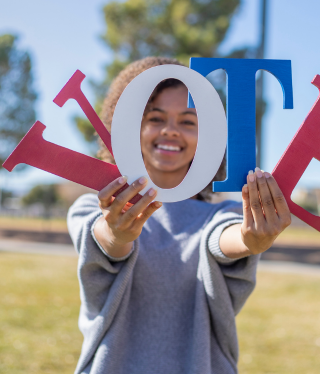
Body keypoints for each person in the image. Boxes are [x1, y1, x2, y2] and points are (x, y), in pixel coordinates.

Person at [67, 56, 291, 374]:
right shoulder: (93, 209)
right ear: (128, 126)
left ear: (209, 135)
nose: (171, 131)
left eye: (188, 121)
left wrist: (249, 237)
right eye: (155, 118)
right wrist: (117, 233)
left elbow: (221, 237)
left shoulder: (222, 213)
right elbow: (102, 239)